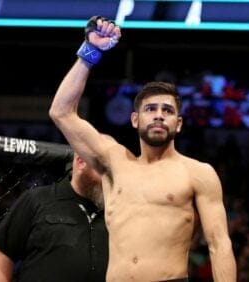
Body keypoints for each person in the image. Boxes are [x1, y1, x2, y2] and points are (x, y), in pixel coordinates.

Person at [49, 16, 237, 281]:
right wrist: (90, 53)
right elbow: (61, 112)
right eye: (150, 109)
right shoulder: (114, 160)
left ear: (178, 123)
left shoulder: (198, 173)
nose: (159, 115)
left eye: (167, 110)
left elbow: (219, 244)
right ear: (135, 120)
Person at [0, 152, 108, 282]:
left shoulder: (117, 214)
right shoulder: (37, 200)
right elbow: (1, 259)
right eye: (104, 169)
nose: (110, 178)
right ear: (81, 161)